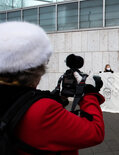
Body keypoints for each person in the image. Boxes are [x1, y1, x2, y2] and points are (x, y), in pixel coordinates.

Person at [0, 22, 105, 154]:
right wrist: (89, 94)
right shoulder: (44, 110)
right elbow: (95, 132)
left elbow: (21, 102)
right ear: (36, 71)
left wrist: (58, 98)